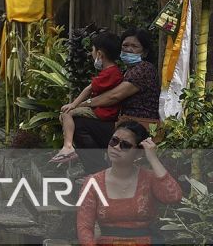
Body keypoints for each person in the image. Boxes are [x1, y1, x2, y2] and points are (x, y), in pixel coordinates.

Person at [75, 121, 182, 246]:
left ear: (138, 152)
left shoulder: (149, 178)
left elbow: (174, 197)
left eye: (125, 145)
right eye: (114, 141)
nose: (116, 147)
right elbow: (84, 227)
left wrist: (153, 158)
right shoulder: (93, 182)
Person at [72, 29, 162, 173]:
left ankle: (98, 173)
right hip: (127, 124)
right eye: (125, 45)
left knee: (80, 124)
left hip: (140, 128)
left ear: (144, 52)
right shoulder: (129, 70)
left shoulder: (144, 69)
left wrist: (84, 104)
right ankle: (102, 171)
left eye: (134, 46)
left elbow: (114, 96)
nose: (129, 49)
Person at [52, 31, 124, 164]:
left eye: (92, 50)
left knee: (66, 113)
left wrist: (74, 105)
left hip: (102, 113)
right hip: (105, 112)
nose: (91, 53)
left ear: (99, 54)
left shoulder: (109, 72)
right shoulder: (115, 71)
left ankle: (68, 147)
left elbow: (89, 88)